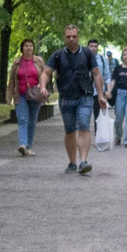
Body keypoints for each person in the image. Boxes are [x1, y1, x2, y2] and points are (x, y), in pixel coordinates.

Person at [49, 24, 104, 175]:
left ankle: (83, 161)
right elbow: (46, 72)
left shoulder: (87, 53)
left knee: (84, 127)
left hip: (85, 96)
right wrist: (42, 87)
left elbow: (96, 74)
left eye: (74, 36)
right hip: (66, 98)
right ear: (64, 38)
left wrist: (100, 95)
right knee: (70, 131)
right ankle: (72, 162)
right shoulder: (58, 55)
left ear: (78, 37)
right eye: (68, 37)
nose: (71, 39)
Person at [11, 37, 47, 156]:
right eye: (26, 46)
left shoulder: (39, 61)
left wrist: (43, 88)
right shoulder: (16, 63)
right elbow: (11, 80)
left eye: (31, 46)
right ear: (22, 48)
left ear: (33, 48)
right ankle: (22, 144)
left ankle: (29, 146)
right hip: (20, 95)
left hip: (34, 96)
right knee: (22, 119)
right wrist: (8, 96)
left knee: (32, 121)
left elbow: (45, 76)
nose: (28, 48)